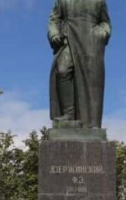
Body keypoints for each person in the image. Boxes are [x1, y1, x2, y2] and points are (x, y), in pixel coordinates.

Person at [47, 0, 111, 128]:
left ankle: (92, 123)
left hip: (91, 42)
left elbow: (105, 22)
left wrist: (102, 34)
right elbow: (54, 20)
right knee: (62, 70)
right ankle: (69, 114)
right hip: (68, 38)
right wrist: (54, 34)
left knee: (91, 82)